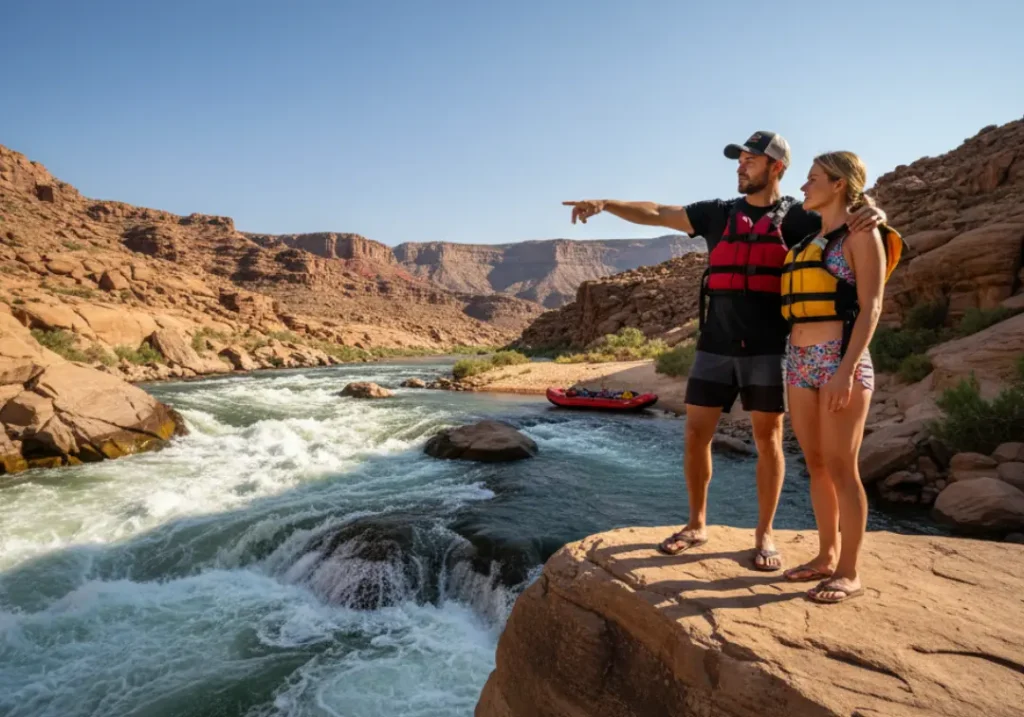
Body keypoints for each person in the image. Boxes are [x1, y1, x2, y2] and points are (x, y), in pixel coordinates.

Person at [563, 131, 886, 571]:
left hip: (770, 348)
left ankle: (765, 534)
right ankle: (696, 524)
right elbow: (658, 212)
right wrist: (605, 203)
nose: (740, 166)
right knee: (696, 435)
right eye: (739, 160)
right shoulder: (717, 214)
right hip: (715, 342)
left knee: (768, 440)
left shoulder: (801, 218)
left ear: (776, 168)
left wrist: (873, 212)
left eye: (750, 160)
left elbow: (848, 226)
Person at [779, 152, 901, 603]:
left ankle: (849, 571)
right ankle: (825, 556)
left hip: (838, 359)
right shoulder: (809, 235)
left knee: (841, 466)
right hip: (799, 360)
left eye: (812, 179)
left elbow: (871, 306)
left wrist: (845, 370)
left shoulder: (861, 234)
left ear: (838, 184)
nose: (804, 187)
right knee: (815, 464)